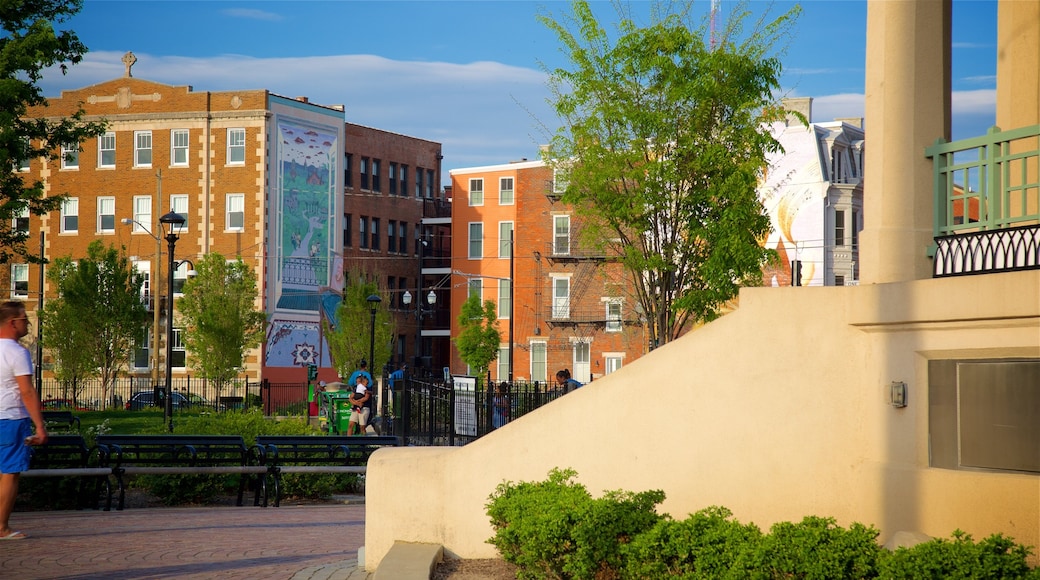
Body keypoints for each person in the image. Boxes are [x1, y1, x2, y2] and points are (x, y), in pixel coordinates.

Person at [1, 301, 48, 540]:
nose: (27, 323)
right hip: (10, 417)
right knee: (9, 472)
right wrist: (39, 425)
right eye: (24, 319)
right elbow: (27, 391)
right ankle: (1, 527)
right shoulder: (17, 352)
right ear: (12, 323)